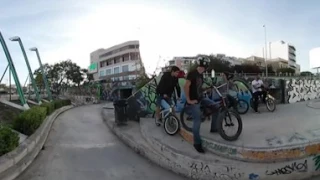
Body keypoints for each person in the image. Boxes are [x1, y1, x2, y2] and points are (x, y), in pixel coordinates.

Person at [184, 56, 219, 153]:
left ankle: (214, 128)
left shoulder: (201, 75)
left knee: (216, 106)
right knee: (197, 121)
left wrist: (207, 89)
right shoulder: (192, 73)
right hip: (194, 101)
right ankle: (197, 143)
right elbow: (186, 86)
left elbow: (198, 88)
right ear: (205, 65)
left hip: (201, 98)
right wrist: (189, 100)